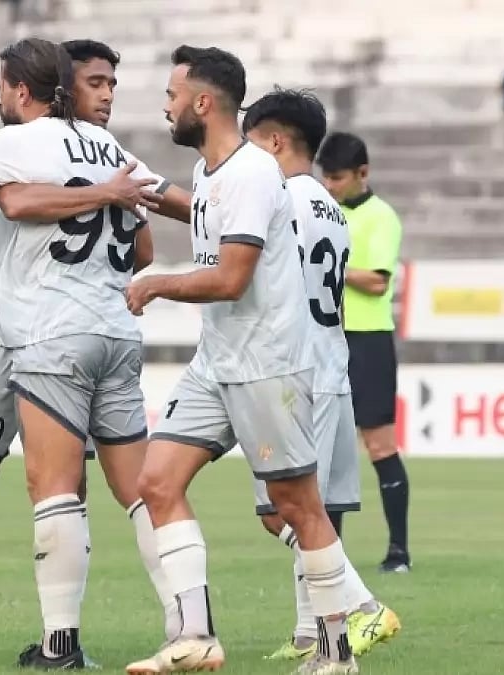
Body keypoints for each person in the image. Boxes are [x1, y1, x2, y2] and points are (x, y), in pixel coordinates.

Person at [0, 37, 186, 669]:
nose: (108, 94)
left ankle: (57, 643)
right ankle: (188, 626)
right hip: (26, 326)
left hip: (45, 329)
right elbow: (163, 224)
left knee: (51, 486)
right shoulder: (116, 157)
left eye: (110, 84)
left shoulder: (11, 147)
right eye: (97, 83)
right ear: (66, 84)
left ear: (21, 89)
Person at [124, 45, 367, 675]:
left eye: (174, 94)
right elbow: (206, 218)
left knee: (297, 507)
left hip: (265, 364)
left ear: (203, 103)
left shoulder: (255, 171)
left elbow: (231, 278)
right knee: (156, 482)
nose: (167, 105)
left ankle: (337, 654)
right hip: (219, 361)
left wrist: (156, 284)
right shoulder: (213, 172)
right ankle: (195, 637)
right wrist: (143, 190)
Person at [242, 88, 402, 662]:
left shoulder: (282, 200)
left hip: (292, 372)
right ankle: (316, 635)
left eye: (253, 139)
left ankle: (360, 605)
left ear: (277, 141)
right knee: (303, 508)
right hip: (330, 366)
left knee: (285, 510)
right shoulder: (330, 207)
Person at [316, 132, 409, 574]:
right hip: (326, 336)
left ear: (362, 174)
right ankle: (332, 556)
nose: (330, 186)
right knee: (329, 447)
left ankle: (398, 552)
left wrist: (329, 260)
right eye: (325, 177)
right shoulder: (321, 211)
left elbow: (377, 281)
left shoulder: (381, 217)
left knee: (378, 443)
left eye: (337, 178)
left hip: (368, 339)